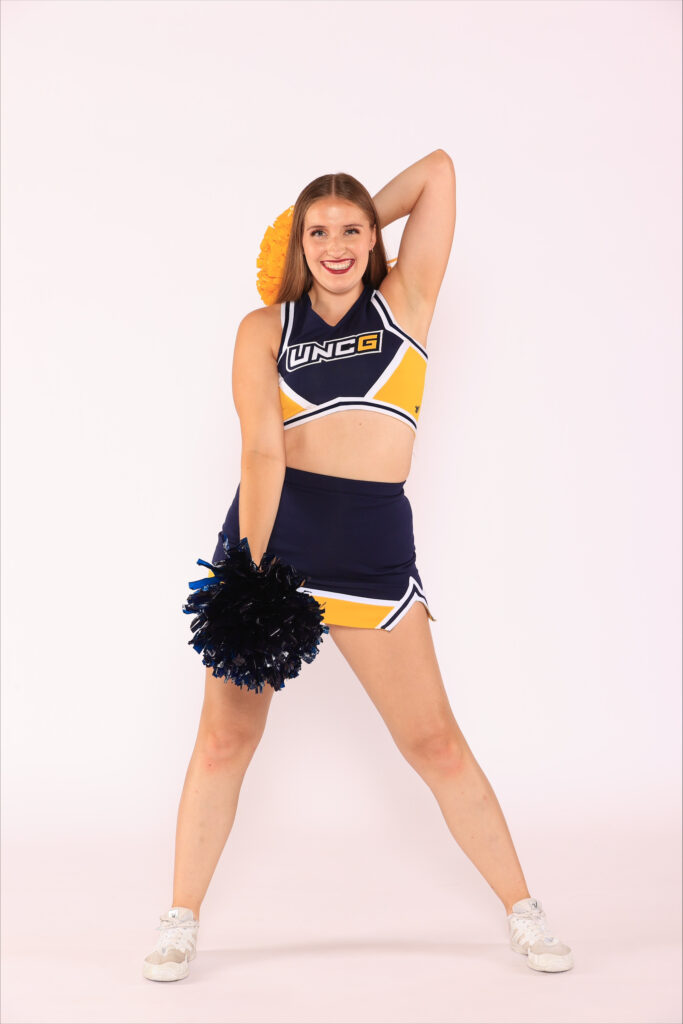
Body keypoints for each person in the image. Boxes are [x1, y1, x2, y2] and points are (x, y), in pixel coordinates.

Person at [142, 149, 574, 981]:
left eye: (350, 230)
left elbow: (439, 173)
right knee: (225, 741)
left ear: (373, 237)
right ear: (295, 244)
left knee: (435, 744)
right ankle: (178, 920)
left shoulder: (406, 299)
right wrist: (251, 578)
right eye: (317, 232)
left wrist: (361, 220)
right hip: (276, 539)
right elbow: (261, 451)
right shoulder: (264, 328)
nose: (335, 245)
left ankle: (523, 910)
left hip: (373, 553)